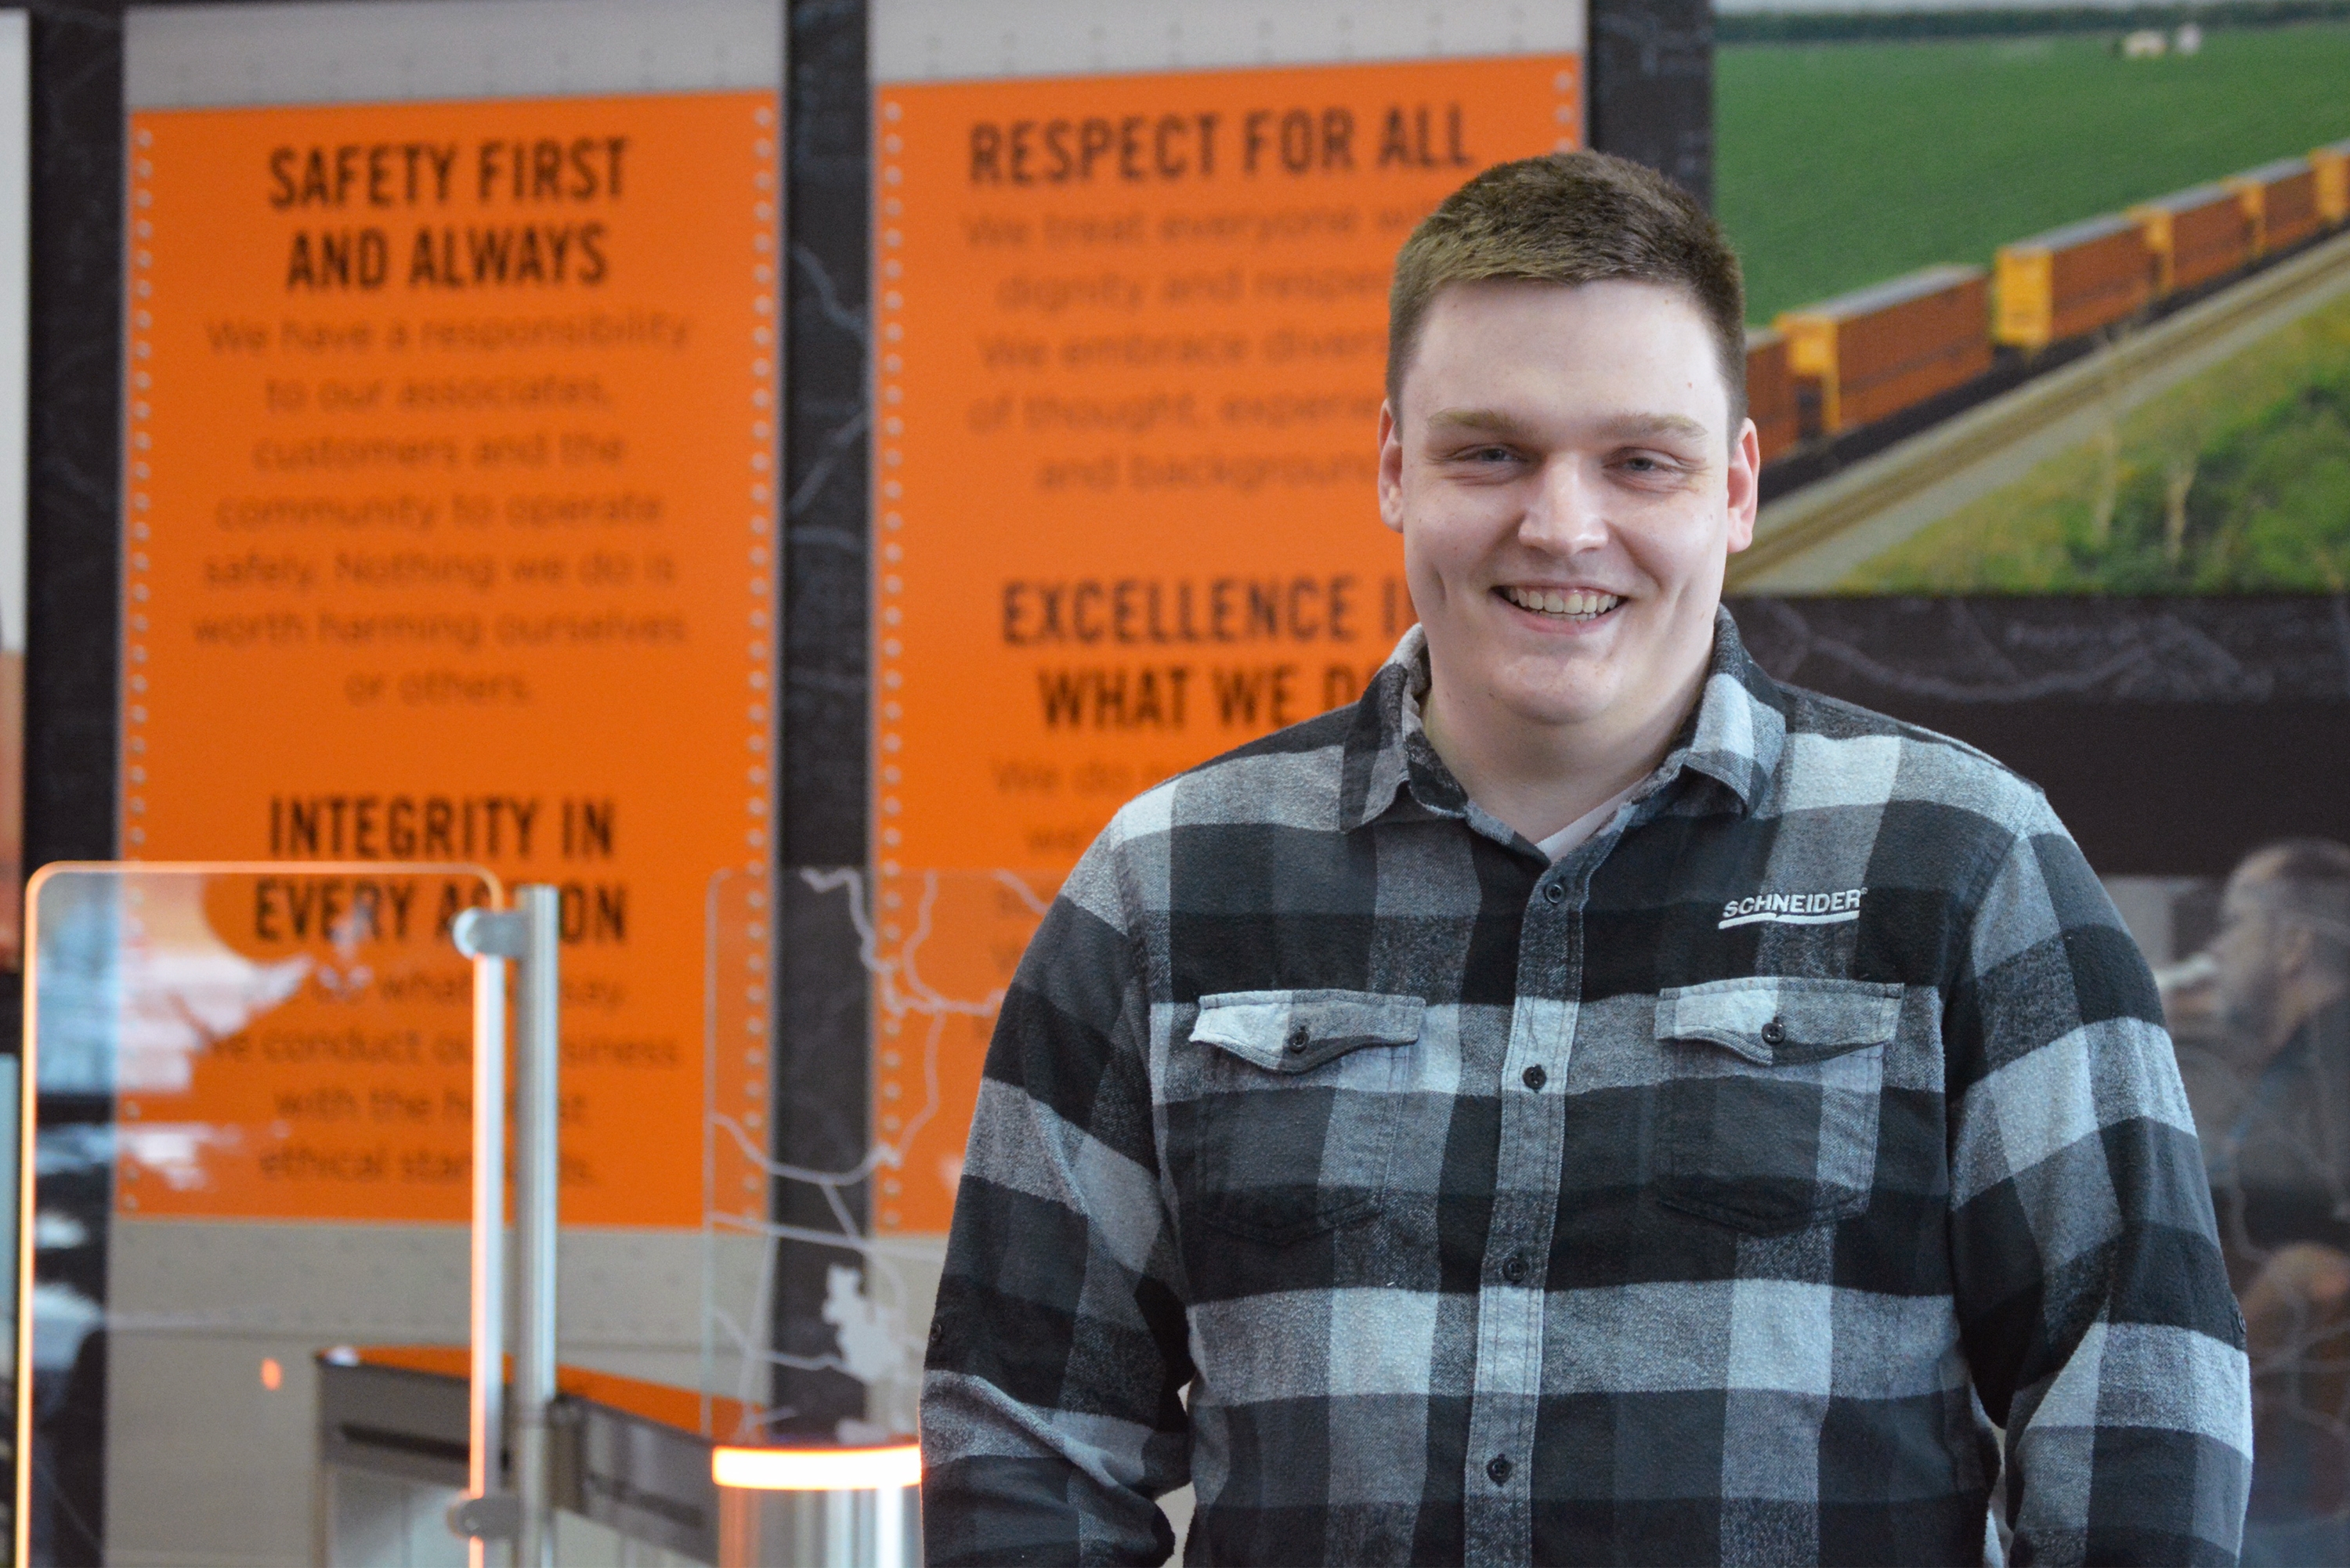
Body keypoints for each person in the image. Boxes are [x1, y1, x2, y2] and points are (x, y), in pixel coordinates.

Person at [921, 150, 2250, 1566]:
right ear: (1391, 467)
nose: (1563, 525)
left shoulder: (1968, 865)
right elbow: (1023, 1441)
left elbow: (2141, 1410)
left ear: (1734, 487)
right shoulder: (1166, 888)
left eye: (1640, 459)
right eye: (1489, 451)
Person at [2167, 840, 2350, 1565]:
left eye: (2235, 921)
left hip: (2300, 1499)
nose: (2218, 949)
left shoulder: (2327, 1070)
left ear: (2292, 943)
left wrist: (2184, 1397)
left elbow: (2321, 1266)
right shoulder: (2302, 1066)